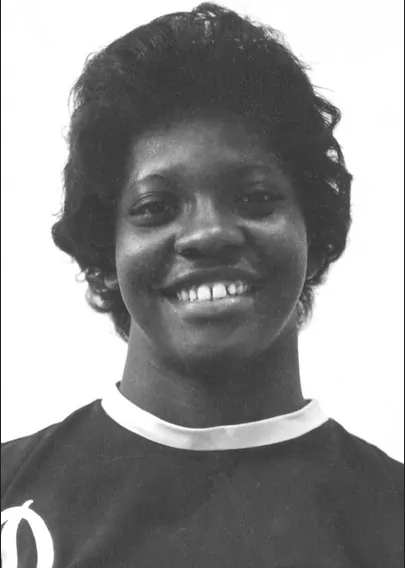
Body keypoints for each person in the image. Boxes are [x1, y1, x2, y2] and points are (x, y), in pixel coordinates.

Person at [1, 3, 403, 566]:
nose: (209, 234)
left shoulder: (390, 516)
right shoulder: (13, 494)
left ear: (313, 231)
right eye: (156, 206)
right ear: (104, 251)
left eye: (255, 197)